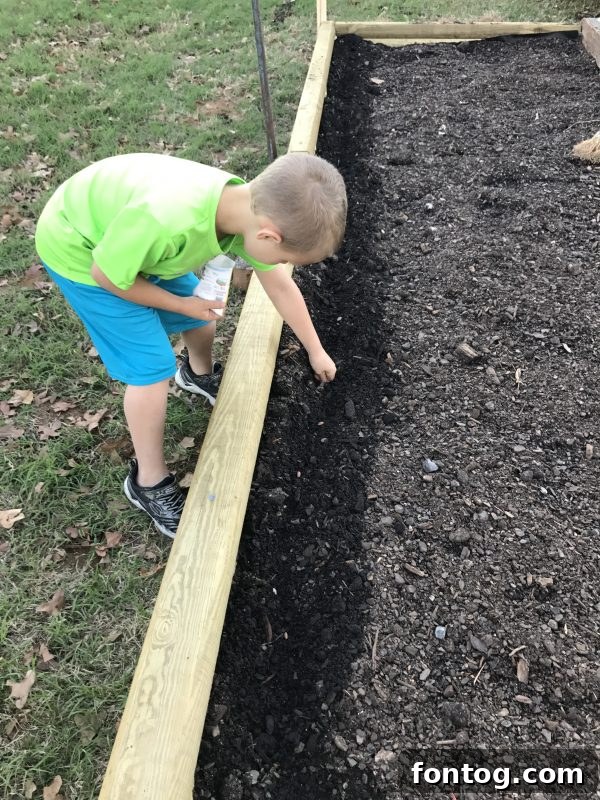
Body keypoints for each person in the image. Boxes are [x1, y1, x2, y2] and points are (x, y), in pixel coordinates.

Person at [35, 151, 347, 537]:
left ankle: (197, 374)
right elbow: (109, 276)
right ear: (269, 236)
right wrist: (182, 302)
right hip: (82, 251)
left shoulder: (246, 206)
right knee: (151, 368)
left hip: (131, 243)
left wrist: (315, 350)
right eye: (283, 256)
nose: (279, 263)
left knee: (201, 313)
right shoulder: (168, 220)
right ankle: (147, 483)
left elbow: (280, 285)